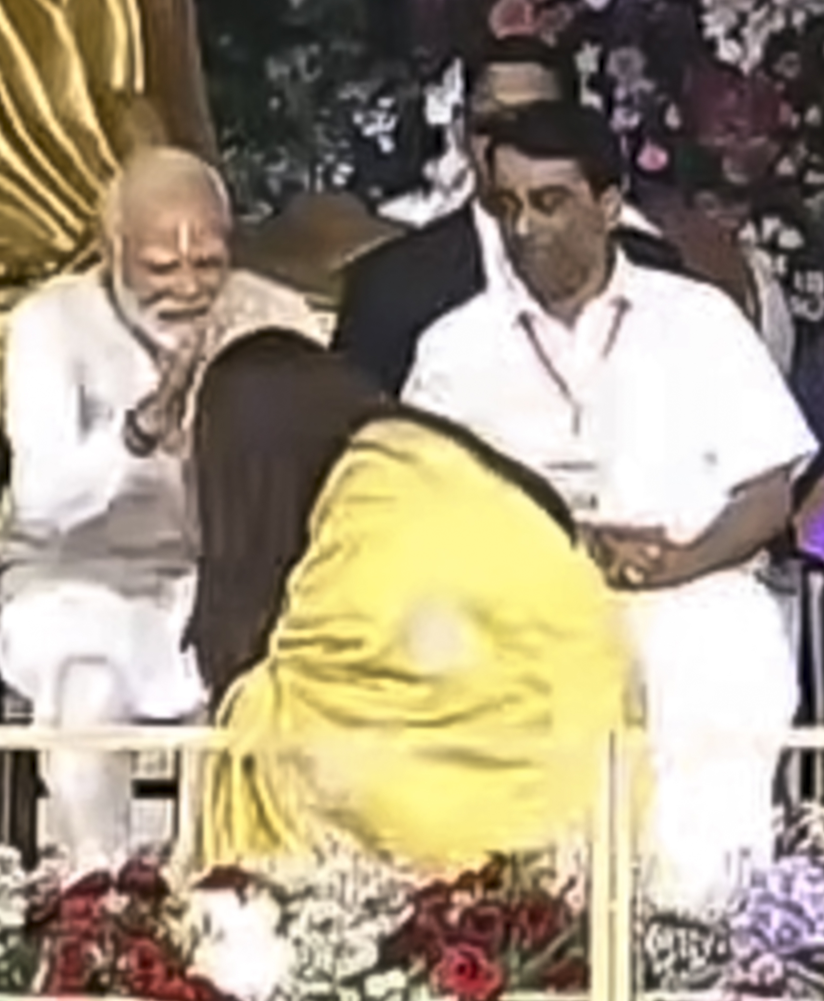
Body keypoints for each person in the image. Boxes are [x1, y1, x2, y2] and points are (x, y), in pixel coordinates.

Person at [404, 101, 814, 909]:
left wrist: (680, 563)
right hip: (518, 608)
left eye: (550, 201)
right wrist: (560, 551)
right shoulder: (453, 349)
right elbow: (416, 507)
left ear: (608, 204)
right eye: (507, 206)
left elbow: (769, 494)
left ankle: (702, 938)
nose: (525, 227)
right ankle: (531, 949)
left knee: (719, 652)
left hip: (691, 593)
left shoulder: (698, 321)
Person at [0, 147, 326, 866]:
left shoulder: (277, 317)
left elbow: (318, 467)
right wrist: (139, 434)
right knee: (87, 692)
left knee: (254, 685)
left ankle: (217, 894)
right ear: (112, 250)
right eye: (161, 267)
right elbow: (42, 503)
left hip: (224, 588)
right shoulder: (49, 326)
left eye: (207, 263)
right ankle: (98, 904)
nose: (188, 286)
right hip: (76, 584)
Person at [199, 328, 637, 869]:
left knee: (266, 722)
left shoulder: (377, 496)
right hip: (589, 778)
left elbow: (327, 686)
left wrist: (247, 704)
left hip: (504, 792)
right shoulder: (425, 456)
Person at [332, 37, 685, 395]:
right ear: (464, 134)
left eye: (532, 125)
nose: (507, 144)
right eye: (490, 122)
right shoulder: (394, 287)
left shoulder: (654, 273)